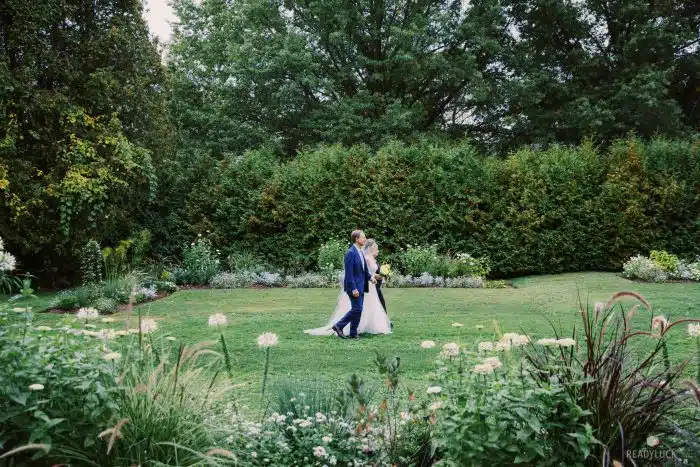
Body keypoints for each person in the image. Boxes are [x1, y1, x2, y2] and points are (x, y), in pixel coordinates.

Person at [304, 231, 391, 338]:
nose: (365, 239)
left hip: (362, 286)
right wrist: (353, 288)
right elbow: (349, 274)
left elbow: (363, 270)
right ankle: (338, 326)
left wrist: (371, 278)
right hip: (354, 287)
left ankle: (353, 333)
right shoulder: (350, 253)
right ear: (356, 239)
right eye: (363, 237)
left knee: (358, 310)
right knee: (357, 309)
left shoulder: (360, 252)